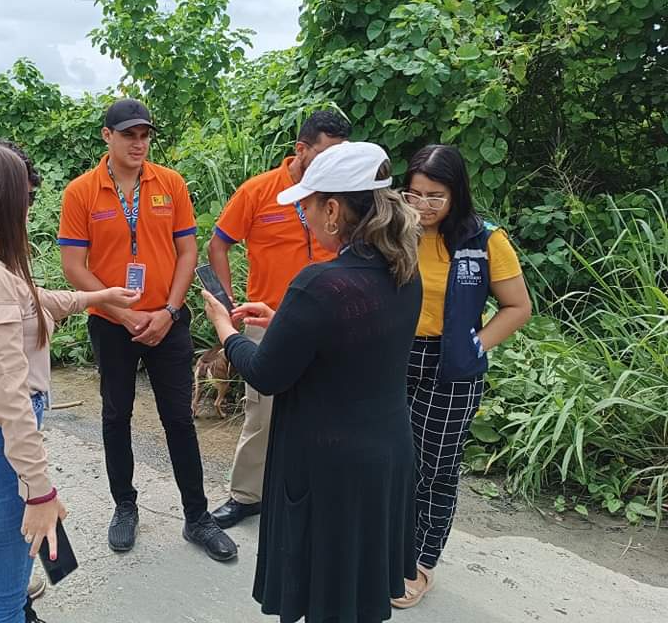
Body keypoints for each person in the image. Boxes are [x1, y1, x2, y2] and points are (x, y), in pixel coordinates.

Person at [0, 140, 140, 623]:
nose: (29, 207)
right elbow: (8, 397)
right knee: (3, 600)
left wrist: (95, 297)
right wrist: (39, 490)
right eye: (25, 196)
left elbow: (25, 300)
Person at [203, 142, 423, 622]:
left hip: (329, 465)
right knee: (360, 590)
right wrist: (284, 319)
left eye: (306, 205)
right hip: (385, 455)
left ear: (333, 210)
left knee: (326, 593)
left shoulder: (319, 284)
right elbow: (355, 336)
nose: (303, 215)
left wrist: (224, 328)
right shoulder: (403, 269)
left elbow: (266, 373)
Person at [58, 98, 238, 562]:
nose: (138, 144)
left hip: (167, 321)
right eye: (128, 135)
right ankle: (125, 507)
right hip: (111, 324)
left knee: (179, 418)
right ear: (107, 136)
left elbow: (187, 253)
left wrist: (170, 312)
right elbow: (73, 265)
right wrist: (123, 314)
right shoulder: (81, 192)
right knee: (115, 416)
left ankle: (197, 517)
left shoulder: (170, 184)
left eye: (144, 136)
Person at [392, 144, 532, 608]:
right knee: (391, 459)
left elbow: (518, 307)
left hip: (452, 366)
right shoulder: (396, 229)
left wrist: (476, 345)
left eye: (435, 196)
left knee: (435, 467)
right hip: (393, 357)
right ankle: (387, 546)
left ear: (456, 194)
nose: (423, 206)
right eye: (414, 194)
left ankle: (420, 562)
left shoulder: (484, 240)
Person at [207, 109, 351, 529]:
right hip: (267, 320)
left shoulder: (342, 195)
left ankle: (313, 494)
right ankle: (247, 496)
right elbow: (219, 245)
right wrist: (228, 304)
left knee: (327, 410)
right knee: (262, 415)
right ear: (300, 150)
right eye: (325, 154)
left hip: (328, 320)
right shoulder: (258, 191)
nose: (332, 164)